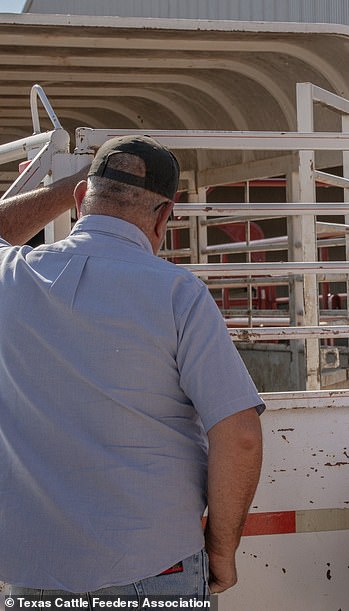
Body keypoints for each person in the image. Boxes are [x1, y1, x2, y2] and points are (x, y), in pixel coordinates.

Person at [0, 136, 264, 603]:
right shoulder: (180, 294)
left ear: (82, 200)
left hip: (36, 574)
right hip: (156, 568)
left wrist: (67, 187)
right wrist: (221, 551)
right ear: (165, 215)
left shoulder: (12, 276)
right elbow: (239, 434)